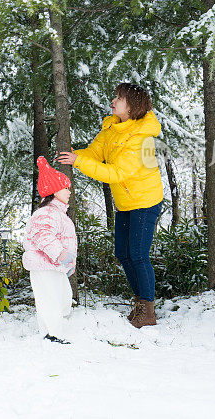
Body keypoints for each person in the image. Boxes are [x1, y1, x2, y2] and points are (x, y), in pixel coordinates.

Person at [57, 83, 163, 329]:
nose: (113, 100)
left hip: (145, 202)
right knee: (123, 254)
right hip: (126, 202)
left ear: (132, 106)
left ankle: (148, 310)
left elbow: (117, 172)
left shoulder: (140, 138)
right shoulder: (112, 128)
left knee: (138, 254)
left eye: (119, 98)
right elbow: (95, 152)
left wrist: (79, 162)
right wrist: (76, 155)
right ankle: (139, 302)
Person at [22, 156, 78, 344]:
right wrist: (61, 255)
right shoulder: (45, 213)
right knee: (49, 300)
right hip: (43, 266)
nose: (69, 192)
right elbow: (43, 236)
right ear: (54, 192)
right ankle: (52, 334)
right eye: (65, 188)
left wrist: (67, 263)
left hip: (55, 266)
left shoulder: (58, 214)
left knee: (64, 298)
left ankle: (55, 329)